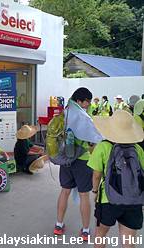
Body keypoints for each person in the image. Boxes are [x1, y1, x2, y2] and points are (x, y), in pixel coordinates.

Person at [88, 110, 144, 248]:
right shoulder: (138, 149)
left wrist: (94, 192)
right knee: (128, 240)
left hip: (108, 199)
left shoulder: (103, 146)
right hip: (133, 200)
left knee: (100, 234)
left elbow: (96, 175)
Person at [54, 87, 97, 241]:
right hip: (82, 159)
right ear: (80, 100)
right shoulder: (83, 116)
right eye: (87, 101)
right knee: (84, 194)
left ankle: (58, 225)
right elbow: (93, 140)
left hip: (66, 157)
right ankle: (85, 231)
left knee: (64, 191)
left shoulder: (66, 112)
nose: (88, 104)